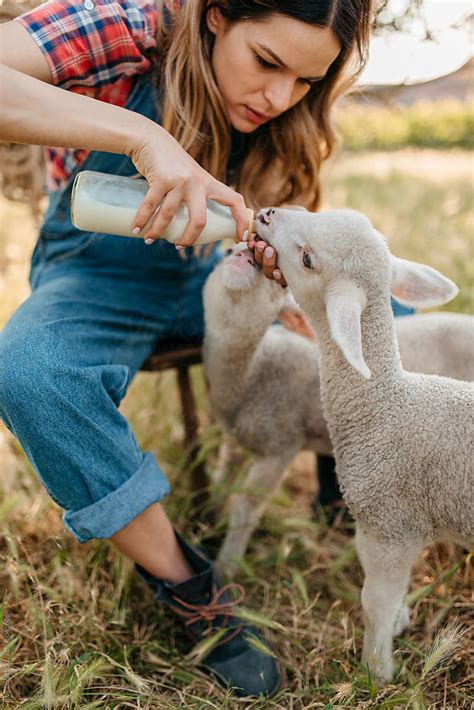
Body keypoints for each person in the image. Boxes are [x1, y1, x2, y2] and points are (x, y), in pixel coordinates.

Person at [0, 0, 374, 698]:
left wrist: (276, 264)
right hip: (99, 274)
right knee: (31, 372)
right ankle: (189, 588)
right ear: (216, 15)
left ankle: (340, 469)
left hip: (217, 271)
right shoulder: (129, 26)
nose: (278, 98)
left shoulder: (282, 108)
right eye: (267, 63)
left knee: (385, 308)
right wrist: (143, 136)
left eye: (305, 83)